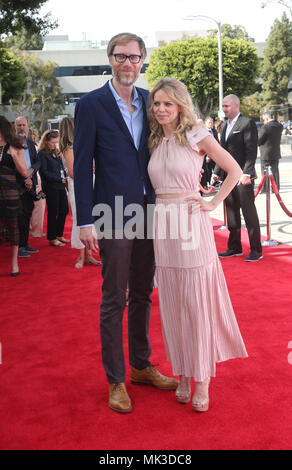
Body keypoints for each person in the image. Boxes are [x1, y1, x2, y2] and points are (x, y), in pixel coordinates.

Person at [73, 32, 178, 414]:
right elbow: (82, 166)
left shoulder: (153, 101)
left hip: (150, 210)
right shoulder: (91, 104)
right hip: (112, 213)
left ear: (143, 60)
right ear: (111, 59)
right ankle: (115, 379)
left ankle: (140, 364)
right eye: (120, 56)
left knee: (143, 293)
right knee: (114, 297)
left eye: (134, 57)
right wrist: (85, 220)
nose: (127, 63)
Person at [147, 78, 247, 412]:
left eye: (168, 104)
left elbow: (233, 169)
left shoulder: (196, 135)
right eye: (157, 103)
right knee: (173, 301)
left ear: (180, 105)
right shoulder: (154, 138)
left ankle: (202, 377)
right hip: (163, 224)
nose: (161, 110)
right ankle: (184, 372)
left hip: (190, 222)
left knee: (195, 301)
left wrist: (213, 202)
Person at [211, 94, 263, 262]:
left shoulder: (247, 123)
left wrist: (247, 173)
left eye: (226, 106)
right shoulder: (225, 125)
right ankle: (234, 247)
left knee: (248, 213)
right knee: (231, 212)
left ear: (236, 105)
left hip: (242, 176)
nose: (223, 109)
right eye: (223, 106)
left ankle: (256, 249)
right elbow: (221, 151)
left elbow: (251, 151)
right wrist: (216, 172)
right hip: (228, 177)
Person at [59, 117, 101, 268]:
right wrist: (91, 170)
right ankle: (81, 256)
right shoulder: (69, 148)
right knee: (80, 219)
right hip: (79, 186)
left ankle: (88, 255)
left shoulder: (77, 146)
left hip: (86, 184)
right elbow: (73, 173)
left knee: (89, 218)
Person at [0, 116, 28, 276]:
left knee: (12, 226)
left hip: (10, 191)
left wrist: (14, 155)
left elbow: (24, 171)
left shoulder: (15, 146)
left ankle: (14, 263)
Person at [15, 116, 40, 258]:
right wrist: (25, 177)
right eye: (19, 125)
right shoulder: (10, 144)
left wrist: (30, 175)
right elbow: (10, 166)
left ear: (27, 126)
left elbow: (37, 162)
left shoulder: (30, 143)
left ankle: (25, 244)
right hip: (18, 186)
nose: (22, 128)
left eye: (24, 125)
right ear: (15, 126)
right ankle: (18, 247)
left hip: (31, 184)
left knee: (27, 215)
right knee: (19, 218)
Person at [38, 130, 69, 247]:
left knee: (64, 210)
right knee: (53, 212)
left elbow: (61, 168)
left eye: (56, 142)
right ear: (46, 142)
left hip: (60, 185)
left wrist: (64, 178)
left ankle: (59, 234)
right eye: (52, 142)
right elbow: (44, 172)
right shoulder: (42, 154)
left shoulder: (56, 152)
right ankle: (52, 237)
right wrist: (58, 179)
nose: (55, 145)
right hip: (51, 187)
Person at [258, 112, 283, 192]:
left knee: (264, 171)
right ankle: (276, 188)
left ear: (267, 118)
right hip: (276, 151)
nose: (263, 121)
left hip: (265, 152)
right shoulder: (279, 126)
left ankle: (264, 188)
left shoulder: (265, 127)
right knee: (275, 170)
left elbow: (259, 139)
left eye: (264, 119)